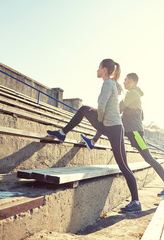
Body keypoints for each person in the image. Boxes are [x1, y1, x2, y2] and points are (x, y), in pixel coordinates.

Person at [47, 59, 141, 213]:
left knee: (123, 165)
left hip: (113, 128)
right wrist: (100, 122)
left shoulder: (108, 84)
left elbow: (102, 107)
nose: (96, 70)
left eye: (98, 68)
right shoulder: (113, 84)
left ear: (104, 69)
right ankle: (62, 133)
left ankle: (136, 201)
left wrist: (98, 121)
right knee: (123, 165)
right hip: (112, 127)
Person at [81, 73, 164, 198]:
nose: (124, 82)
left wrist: (102, 110)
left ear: (131, 80)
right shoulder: (134, 95)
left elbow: (118, 108)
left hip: (135, 133)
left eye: (125, 80)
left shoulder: (132, 94)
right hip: (131, 130)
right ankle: (92, 142)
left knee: (149, 158)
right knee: (110, 124)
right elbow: (141, 116)